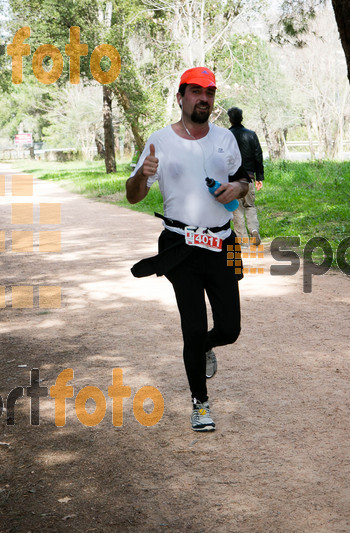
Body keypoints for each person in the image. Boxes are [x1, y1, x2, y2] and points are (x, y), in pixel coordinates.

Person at [126, 67, 250, 432]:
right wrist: (141, 174)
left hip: (223, 242)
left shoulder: (226, 139)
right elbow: (133, 195)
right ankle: (200, 403)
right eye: (196, 92)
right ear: (180, 97)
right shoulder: (159, 142)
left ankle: (206, 346)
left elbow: (243, 178)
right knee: (192, 326)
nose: (204, 99)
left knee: (229, 328)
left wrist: (239, 189)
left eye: (209, 93)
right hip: (180, 244)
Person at [227, 107, 264, 246]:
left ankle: (242, 240)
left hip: (233, 179)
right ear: (242, 118)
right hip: (249, 177)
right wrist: (259, 177)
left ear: (230, 119)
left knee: (237, 209)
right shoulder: (251, 134)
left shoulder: (227, 136)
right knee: (250, 206)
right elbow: (258, 156)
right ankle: (254, 230)